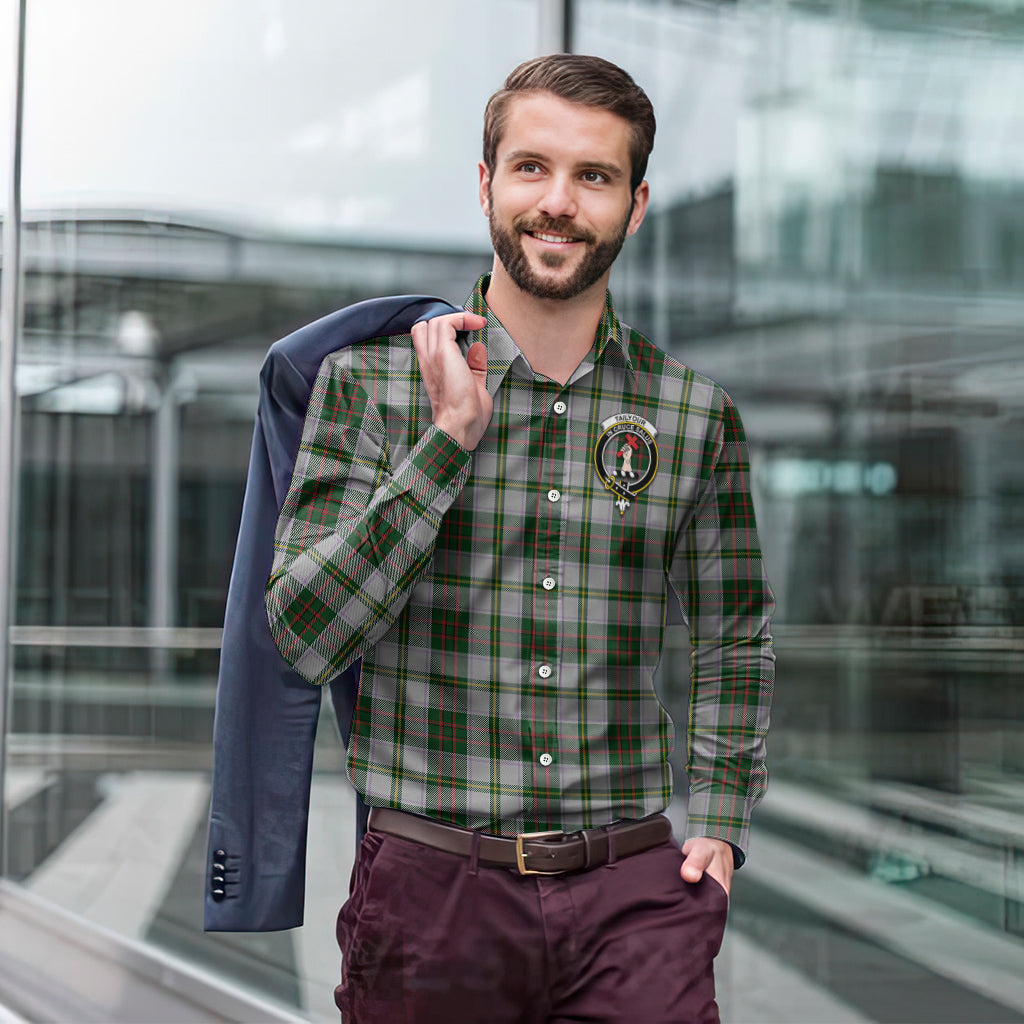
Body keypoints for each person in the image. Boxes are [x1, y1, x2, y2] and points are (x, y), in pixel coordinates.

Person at [265, 53, 775, 1024]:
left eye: (595, 176)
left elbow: (733, 632)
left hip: (634, 895)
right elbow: (304, 635)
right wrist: (448, 442)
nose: (559, 202)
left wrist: (717, 816)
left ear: (636, 203)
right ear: (486, 182)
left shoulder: (694, 414)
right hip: (432, 895)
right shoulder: (368, 389)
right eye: (533, 167)